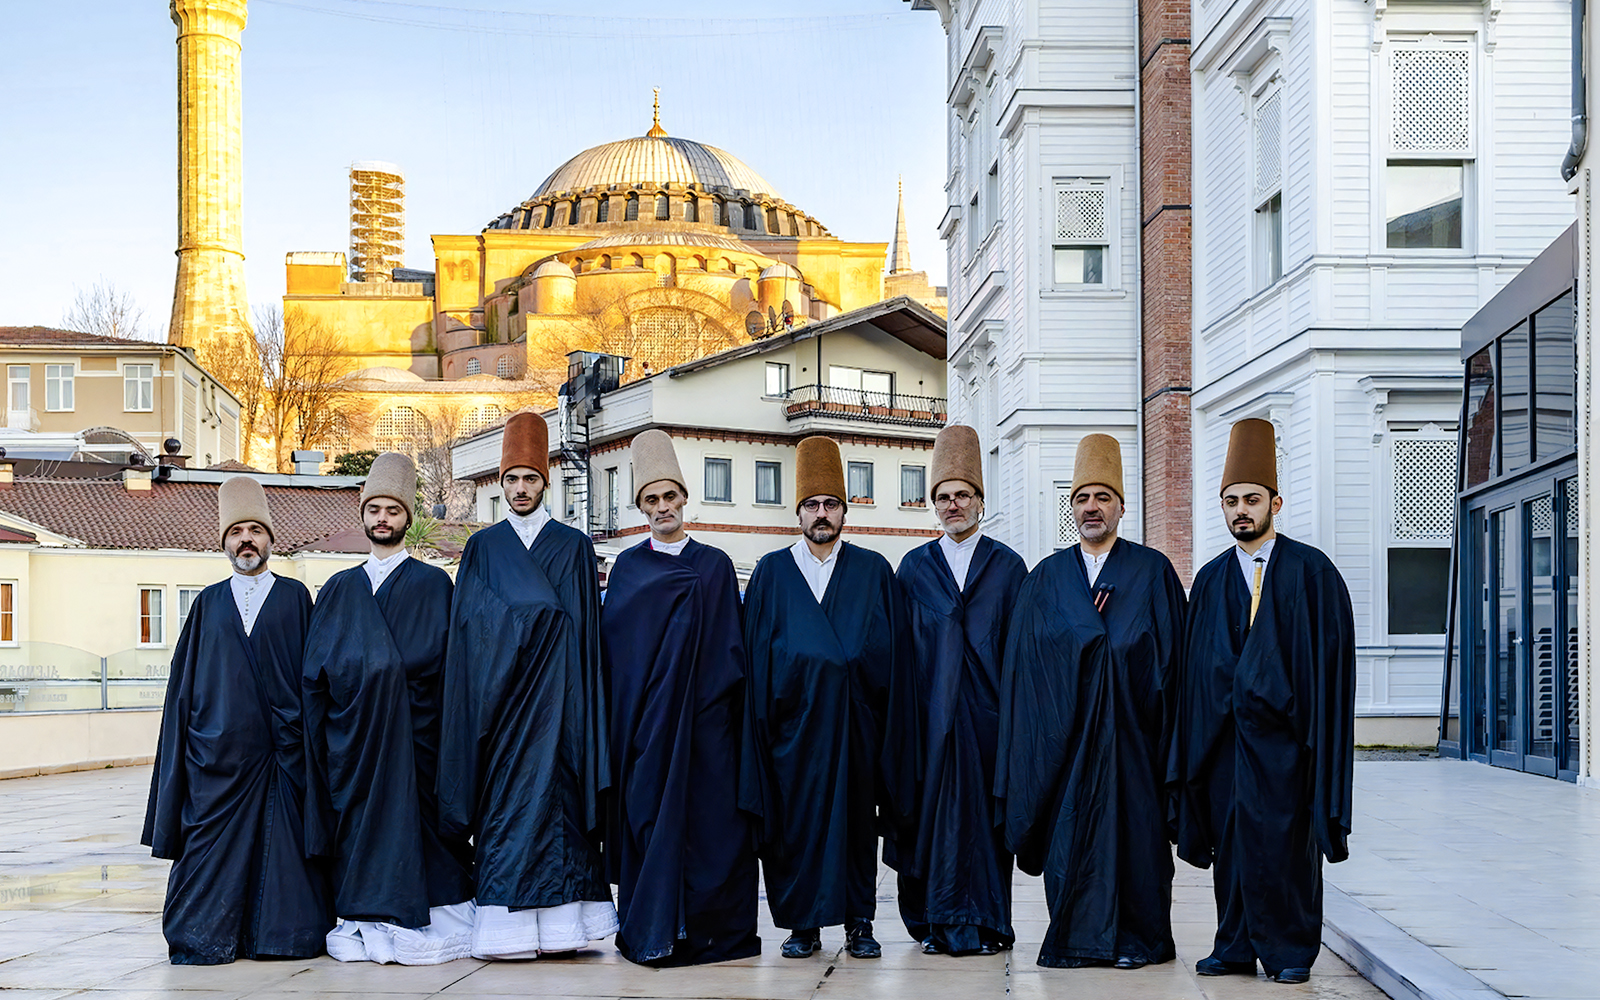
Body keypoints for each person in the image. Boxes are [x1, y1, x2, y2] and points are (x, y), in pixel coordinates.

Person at [1171, 418, 1356, 985]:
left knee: (1284, 848)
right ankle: (1233, 946)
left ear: (1275, 502)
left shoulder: (1312, 573)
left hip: (1286, 749)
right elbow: (1195, 671)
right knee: (1231, 846)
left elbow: (1329, 667)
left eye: (1251, 500)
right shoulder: (1209, 579)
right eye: (1231, 502)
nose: (1241, 512)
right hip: (1225, 746)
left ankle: (1289, 950)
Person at [997, 434, 1186, 969]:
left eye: (1103, 497)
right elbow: (1026, 670)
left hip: (1135, 746)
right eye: (1082, 498)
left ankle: (1139, 944)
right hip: (1066, 749)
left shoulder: (1152, 572)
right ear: (1072, 508)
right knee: (1070, 845)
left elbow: (1173, 666)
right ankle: (1076, 942)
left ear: (1122, 507)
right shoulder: (1046, 579)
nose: (1092, 507)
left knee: (1139, 847)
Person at [437, 411, 617, 960]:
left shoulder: (573, 546)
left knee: (561, 813)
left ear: (546, 481)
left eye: (530, 479)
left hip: (559, 710)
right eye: (512, 479)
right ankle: (505, 934)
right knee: (503, 812)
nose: (520, 488)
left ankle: (564, 931)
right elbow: (469, 631)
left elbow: (585, 636)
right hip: (501, 711)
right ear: (501, 482)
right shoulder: (483, 548)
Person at [142, 476, 331, 964]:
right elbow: (185, 689)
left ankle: (280, 939)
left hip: (282, 760)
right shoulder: (207, 603)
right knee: (207, 853)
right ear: (224, 541)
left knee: (285, 854)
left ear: (270, 538)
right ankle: (205, 938)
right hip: (217, 761)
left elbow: (315, 678)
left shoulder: (296, 597)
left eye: (255, 531)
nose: (247, 540)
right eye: (237, 532)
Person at [302, 452, 475, 965]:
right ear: (363, 514)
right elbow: (316, 673)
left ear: (407, 517)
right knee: (358, 830)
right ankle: (363, 917)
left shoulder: (433, 585)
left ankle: (426, 917)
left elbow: (447, 668)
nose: (382, 519)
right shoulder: (339, 589)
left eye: (393, 510)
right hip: (351, 745)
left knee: (421, 831)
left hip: (415, 743)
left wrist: (388, 679)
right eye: (374, 509)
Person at [739, 435, 906, 960]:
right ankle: (802, 925)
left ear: (844, 511)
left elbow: (891, 656)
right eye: (811, 505)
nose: (821, 514)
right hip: (791, 735)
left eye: (831, 504)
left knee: (856, 829)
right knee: (795, 830)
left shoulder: (873, 571)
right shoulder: (771, 572)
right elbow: (756, 658)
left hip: (856, 730)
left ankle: (860, 923)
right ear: (798, 512)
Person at [601, 430, 761, 966]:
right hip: (646, 730)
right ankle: (652, 930)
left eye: (670, 496)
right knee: (649, 822)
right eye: (651, 499)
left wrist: (715, 716)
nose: (662, 507)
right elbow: (619, 656)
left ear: (684, 498)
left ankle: (712, 934)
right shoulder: (628, 568)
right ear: (640, 507)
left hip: (707, 727)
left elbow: (731, 649)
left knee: (713, 830)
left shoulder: (714, 564)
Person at [887, 424, 1026, 957]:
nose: (953, 505)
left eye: (962, 495)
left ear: (980, 501)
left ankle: (988, 925)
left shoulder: (1008, 567)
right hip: (929, 725)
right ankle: (933, 924)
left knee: (984, 829)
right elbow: (899, 652)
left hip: (989, 724)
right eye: (943, 497)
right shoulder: (914, 569)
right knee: (931, 823)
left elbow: (1021, 651)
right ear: (934, 505)